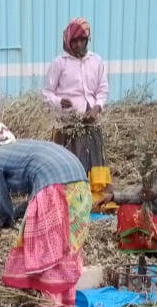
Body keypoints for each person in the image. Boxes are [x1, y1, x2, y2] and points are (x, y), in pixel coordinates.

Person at [0, 120, 90, 307]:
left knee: (47, 249)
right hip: (81, 185)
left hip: (54, 188)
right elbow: (31, 195)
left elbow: (3, 204)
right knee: (65, 245)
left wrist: (6, 220)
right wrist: (19, 212)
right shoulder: (22, 147)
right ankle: (65, 303)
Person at [42, 18, 111, 208]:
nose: (79, 45)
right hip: (69, 124)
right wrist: (58, 102)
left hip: (90, 121)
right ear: (67, 42)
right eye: (75, 41)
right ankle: (73, 200)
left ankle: (93, 196)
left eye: (82, 40)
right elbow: (47, 92)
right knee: (72, 159)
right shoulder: (59, 63)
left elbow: (102, 89)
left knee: (93, 158)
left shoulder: (96, 61)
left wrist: (97, 108)